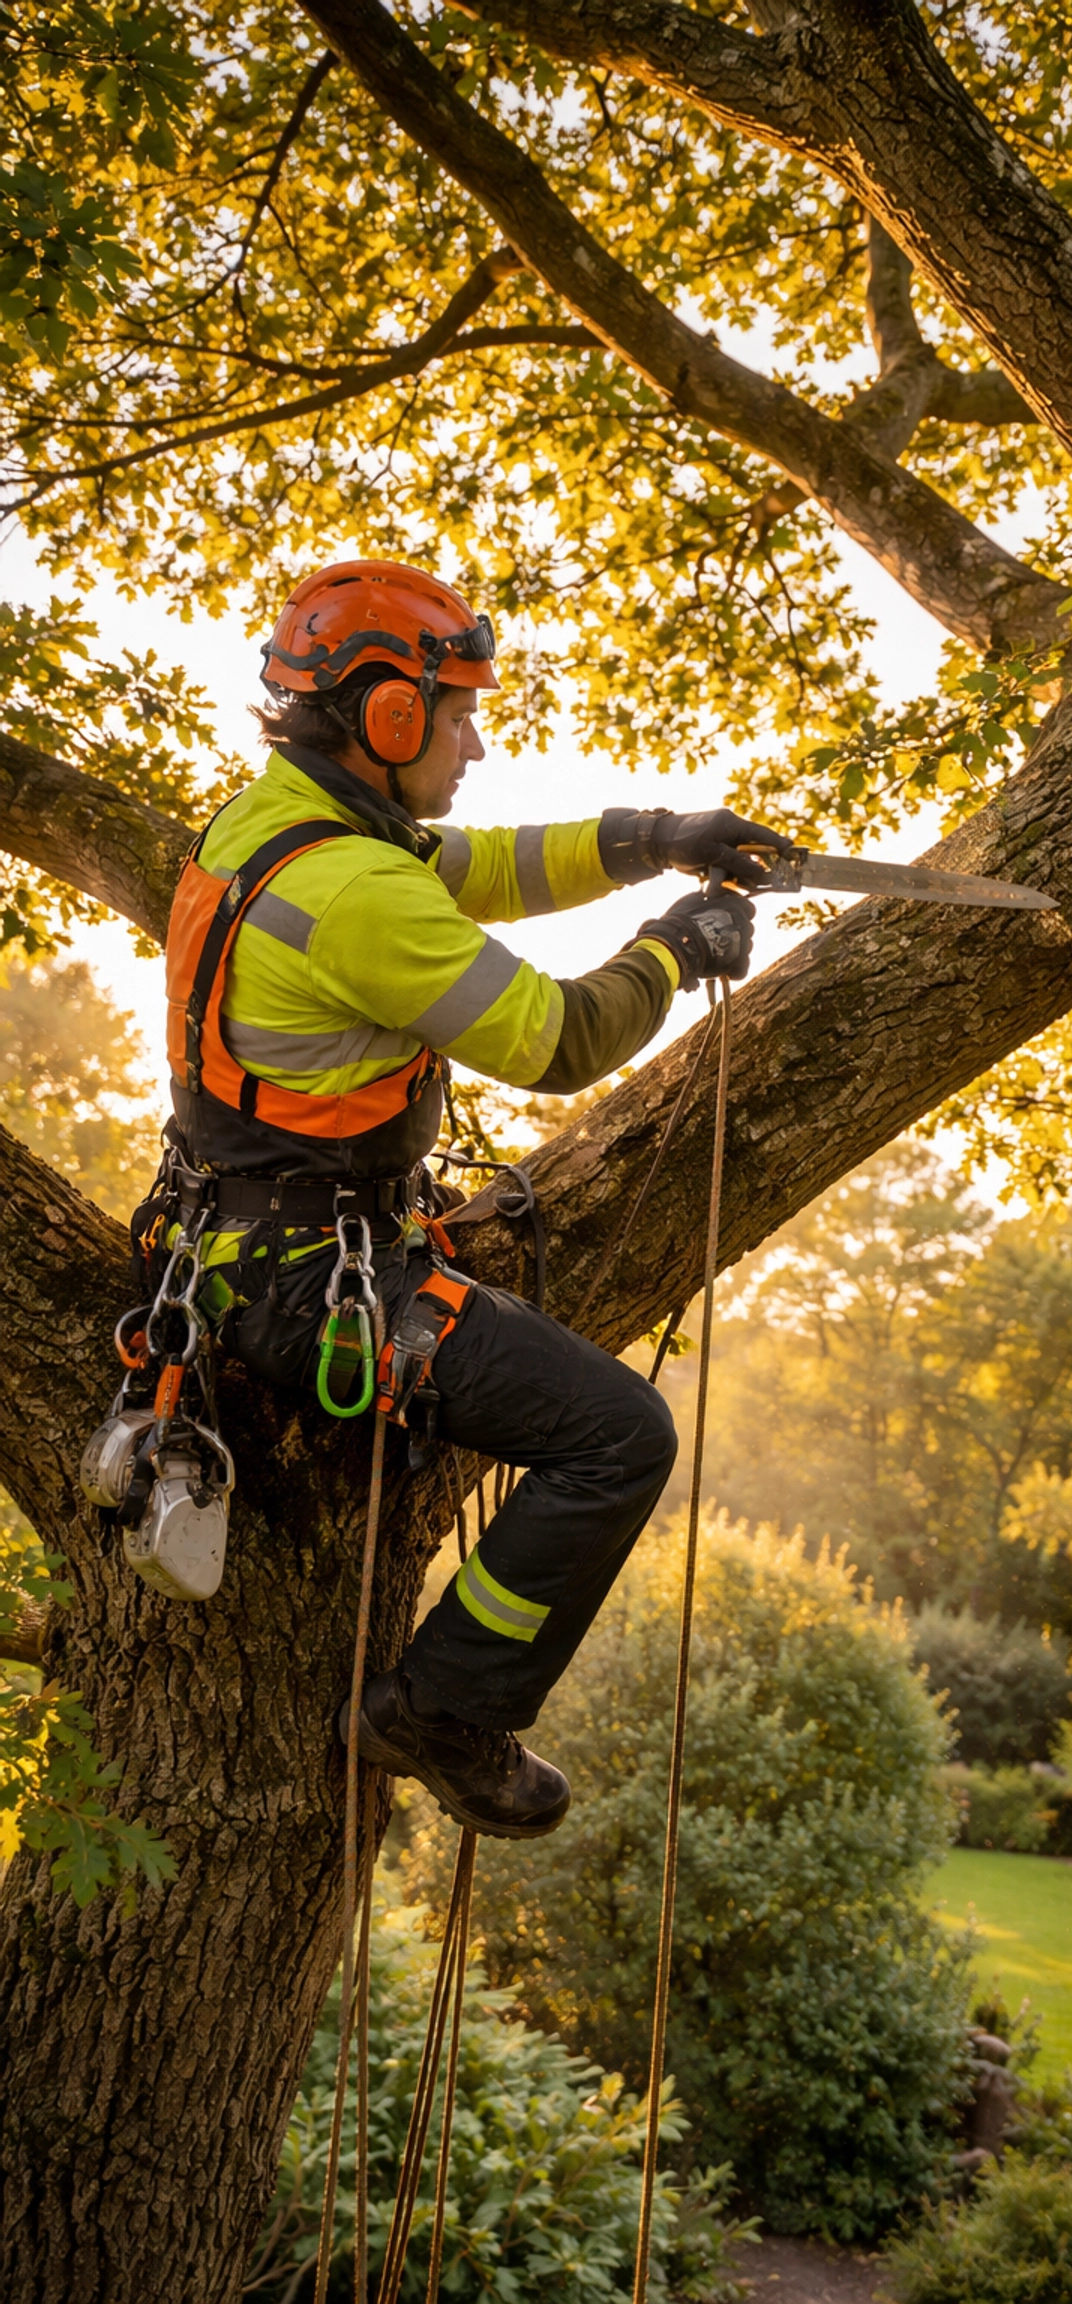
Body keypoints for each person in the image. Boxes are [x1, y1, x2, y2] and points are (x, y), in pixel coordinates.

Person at [153, 558, 790, 1838]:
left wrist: (659, 837)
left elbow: (481, 865)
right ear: (387, 718)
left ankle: (442, 1694)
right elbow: (556, 1038)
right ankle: (441, 1709)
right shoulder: (354, 889)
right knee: (620, 1437)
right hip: (309, 1285)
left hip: (246, 1238)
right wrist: (679, 945)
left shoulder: (280, 825)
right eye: (457, 716)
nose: (477, 741)